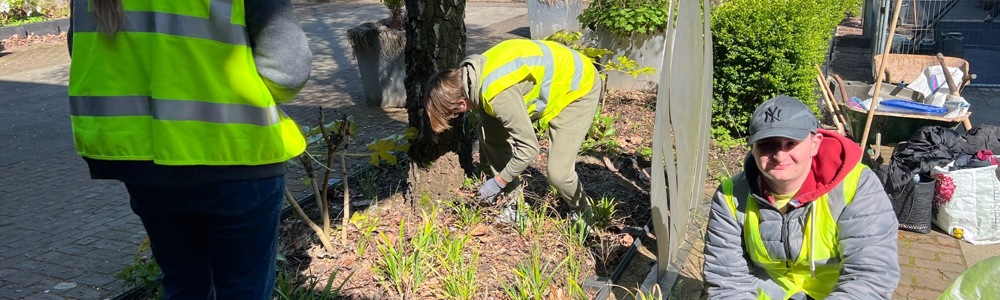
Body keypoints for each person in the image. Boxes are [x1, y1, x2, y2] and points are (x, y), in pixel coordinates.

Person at [68, 0, 312, 298]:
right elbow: (288, 70)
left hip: (145, 164)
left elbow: (83, 51)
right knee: (243, 289)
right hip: (237, 154)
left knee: (184, 286)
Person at [702, 96, 900, 299]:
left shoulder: (857, 186)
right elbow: (727, 280)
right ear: (752, 148)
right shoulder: (730, 196)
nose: (779, 155)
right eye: (766, 145)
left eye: (791, 143)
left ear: (815, 143)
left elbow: (871, 275)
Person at [424, 39, 602, 218]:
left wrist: (498, 181)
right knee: (488, 132)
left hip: (578, 88)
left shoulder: (498, 94)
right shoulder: (473, 75)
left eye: (455, 113)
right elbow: (489, 133)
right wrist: (488, 169)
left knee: (558, 173)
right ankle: (514, 206)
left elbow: (530, 149)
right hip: (558, 78)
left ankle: (584, 213)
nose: (457, 116)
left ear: (462, 104)